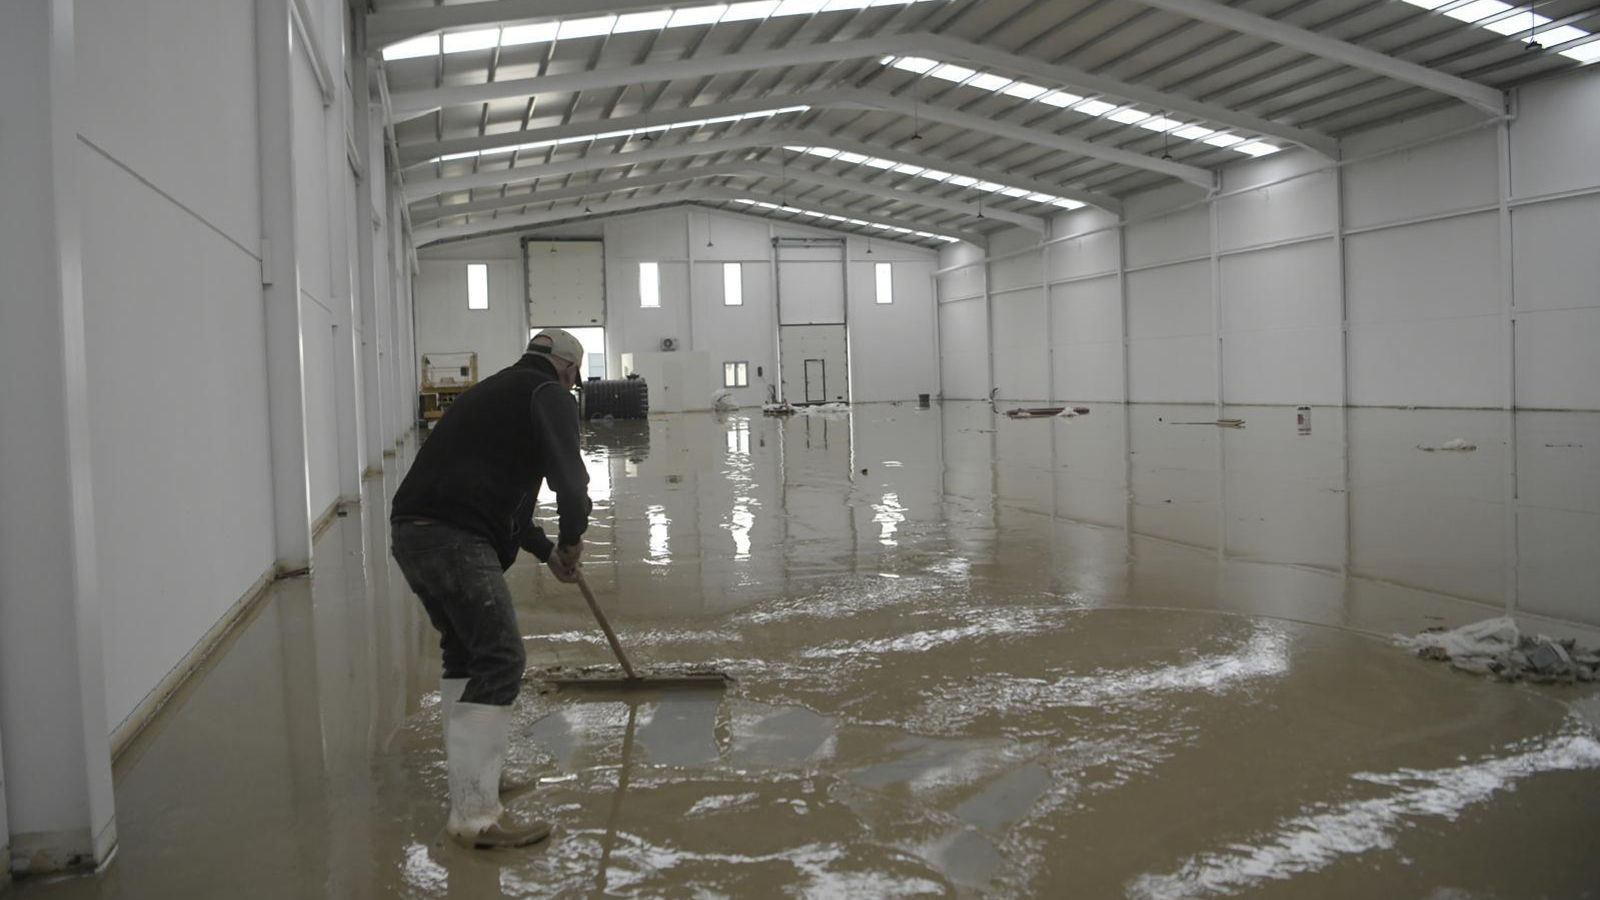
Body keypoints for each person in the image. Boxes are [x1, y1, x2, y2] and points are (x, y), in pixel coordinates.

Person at [390, 328, 592, 849]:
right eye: (575, 378)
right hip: (454, 537)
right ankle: (475, 816)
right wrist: (573, 538)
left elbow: (505, 500)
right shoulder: (550, 395)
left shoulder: (500, 392)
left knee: (466, 655)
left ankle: (478, 783)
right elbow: (571, 482)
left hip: (414, 534)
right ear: (568, 371)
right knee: (502, 660)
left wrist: (549, 553)